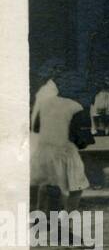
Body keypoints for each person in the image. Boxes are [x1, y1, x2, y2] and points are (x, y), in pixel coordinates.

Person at [30, 80, 91, 213]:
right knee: (76, 186)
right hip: (64, 151)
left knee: (46, 183)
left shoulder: (45, 104)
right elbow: (81, 140)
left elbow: (35, 128)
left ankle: (41, 214)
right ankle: (66, 217)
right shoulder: (76, 107)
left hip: (44, 150)